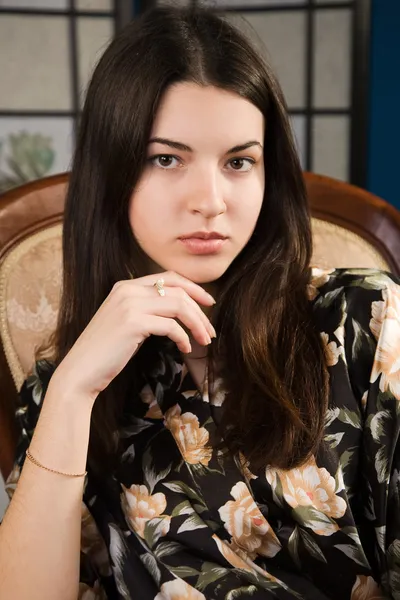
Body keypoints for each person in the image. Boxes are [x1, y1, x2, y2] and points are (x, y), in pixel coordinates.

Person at [0, 4, 399, 600]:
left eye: (240, 162)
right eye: (166, 159)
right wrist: (73, 390)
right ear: (110, 174)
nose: (210, 200)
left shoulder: (367, 321)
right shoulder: (67, 386)